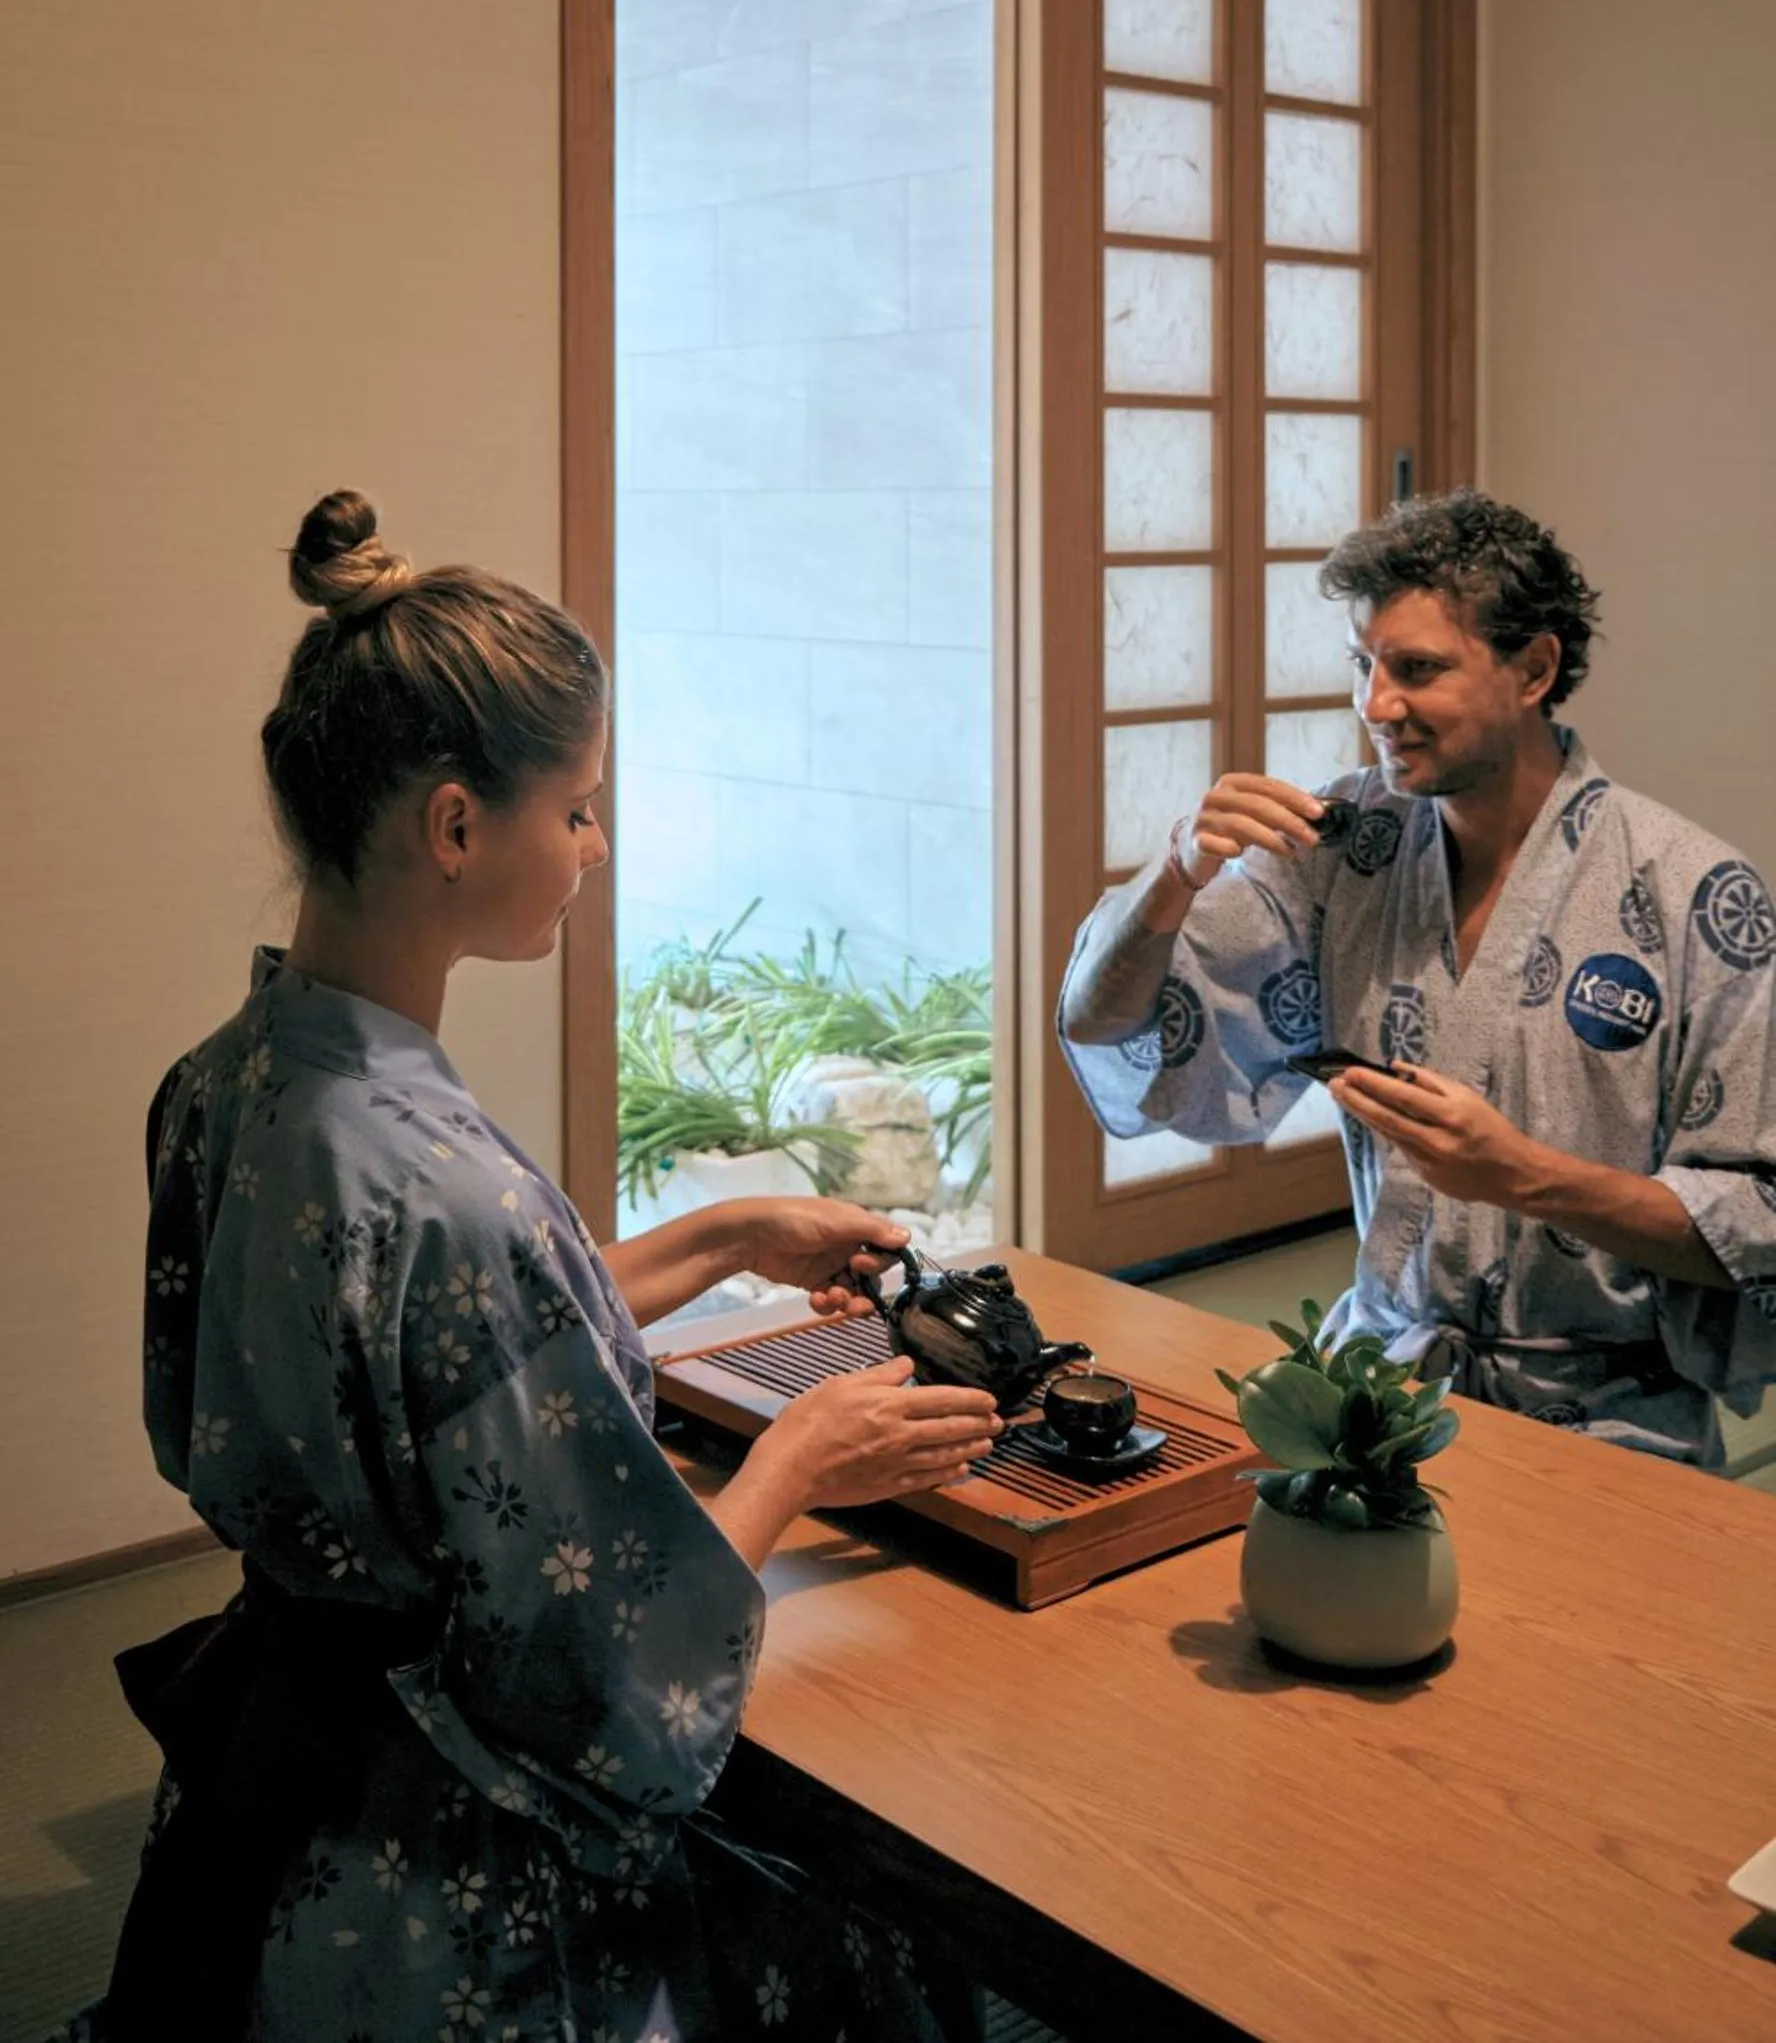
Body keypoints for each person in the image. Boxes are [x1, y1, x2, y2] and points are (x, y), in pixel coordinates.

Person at [84, 490, 1001, 2043]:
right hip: (453, 1853)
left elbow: (445, 1368)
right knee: (891, 1943)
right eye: (575, 806)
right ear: (456, 825)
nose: (593, 845)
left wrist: (725, 1235)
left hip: (267, 1786)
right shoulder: (449, 1196)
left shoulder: (228, 1080)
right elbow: (598, 1660)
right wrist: (800, 1457)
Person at [1059, 488, 1776, 1466]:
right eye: (1365, 664)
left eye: (1418, 669)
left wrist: (1524, 1178)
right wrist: (1174, 873)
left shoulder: (1696, 895)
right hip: (1378, 1386)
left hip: (1614, 1421)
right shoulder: (1343, 848)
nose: (1375, 706)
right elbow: (1111, 1024)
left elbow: (1760, 1220)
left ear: (1534, 668)